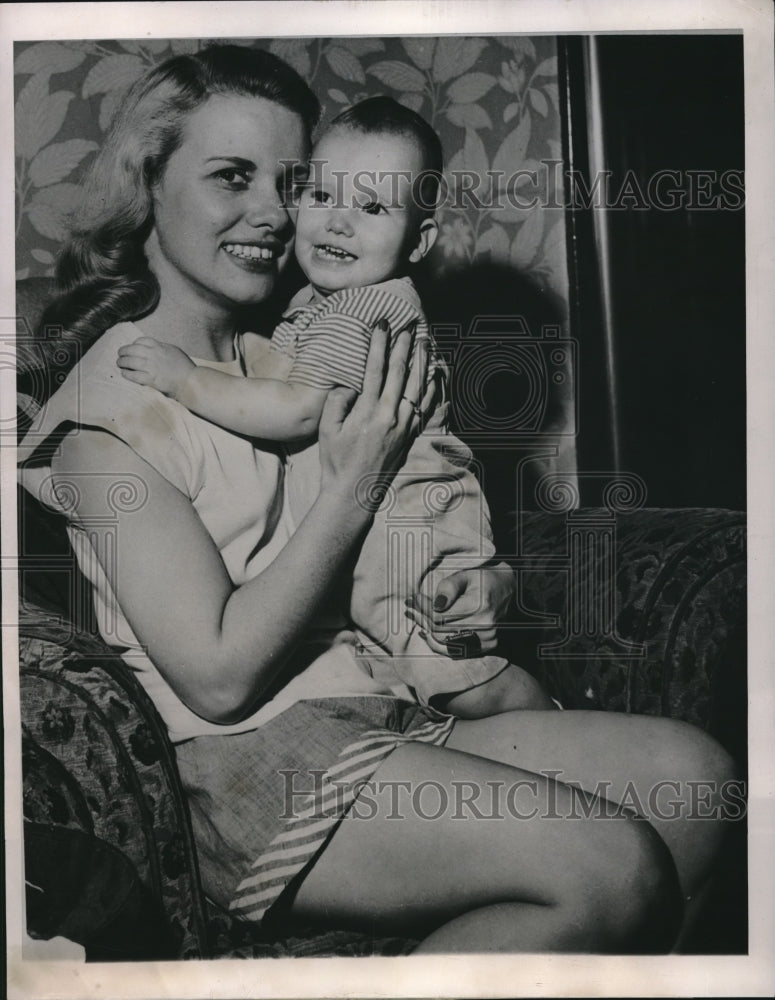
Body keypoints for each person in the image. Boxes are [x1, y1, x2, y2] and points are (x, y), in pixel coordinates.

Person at [18, 44, 736, 953]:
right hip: (248, 764)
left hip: (379, 702)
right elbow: (218, 674)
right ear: (148, 182)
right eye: (229, 177)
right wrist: (355, 483)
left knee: (700, 785)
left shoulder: (300, 343)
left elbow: (416, 508)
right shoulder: (103, 418)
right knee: (611, 867)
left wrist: (473, 586)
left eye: (291, 182)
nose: (272, 214)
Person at [114, 95, 554, 720]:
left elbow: (295, 410)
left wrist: (185, 380)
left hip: (408, 531)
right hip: (379, 542)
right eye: (321, 196)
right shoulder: (311, 305)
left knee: (457, 670)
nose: (338, 222)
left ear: (419, 239)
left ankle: (542, 717)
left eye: (372, 207)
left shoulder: (363, 308)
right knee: (429, 659)